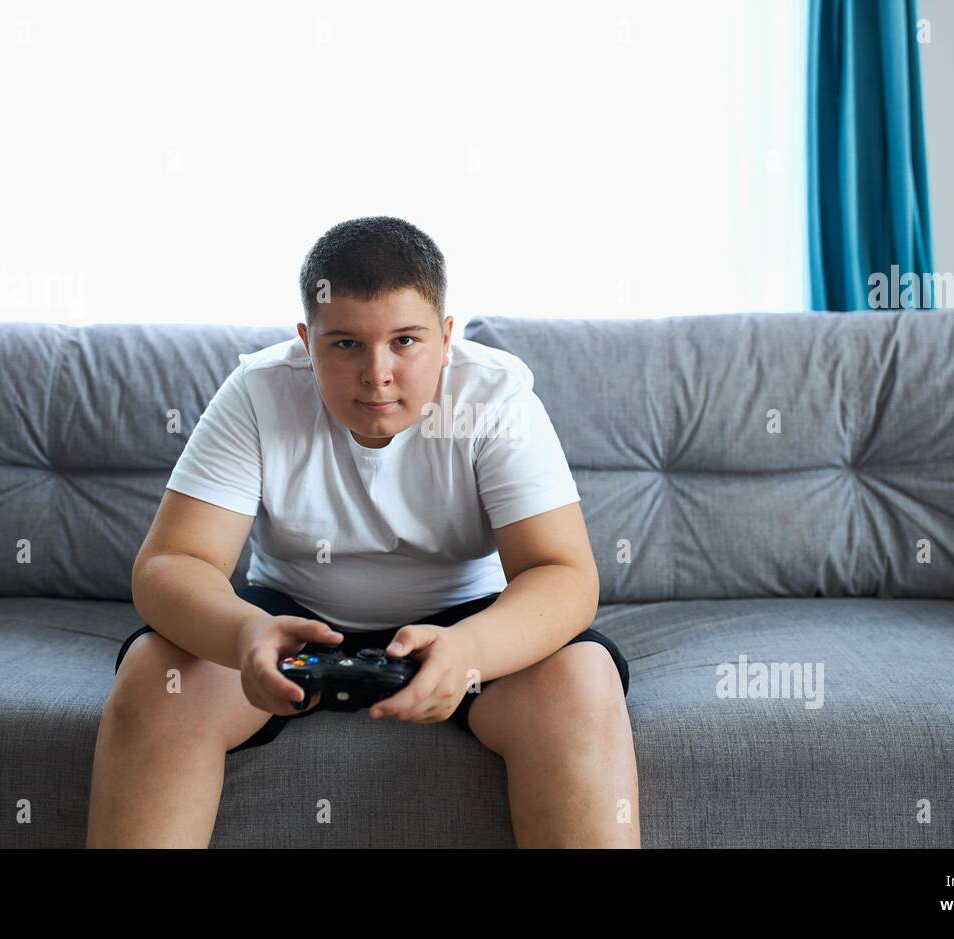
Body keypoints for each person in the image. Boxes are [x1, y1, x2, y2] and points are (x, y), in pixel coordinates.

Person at [86, 216, 638, 848]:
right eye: (346, 344)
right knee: (157, 672)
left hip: (466, 619)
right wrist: (243, 634)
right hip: (290, 620)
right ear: (307, 341)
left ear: (446, 337)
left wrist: (472, 651)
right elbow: (172, 562)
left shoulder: (495, 397)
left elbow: (563, 574)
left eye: (406, 341)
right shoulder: (258, 392)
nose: (378, 373)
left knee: (581, 678)